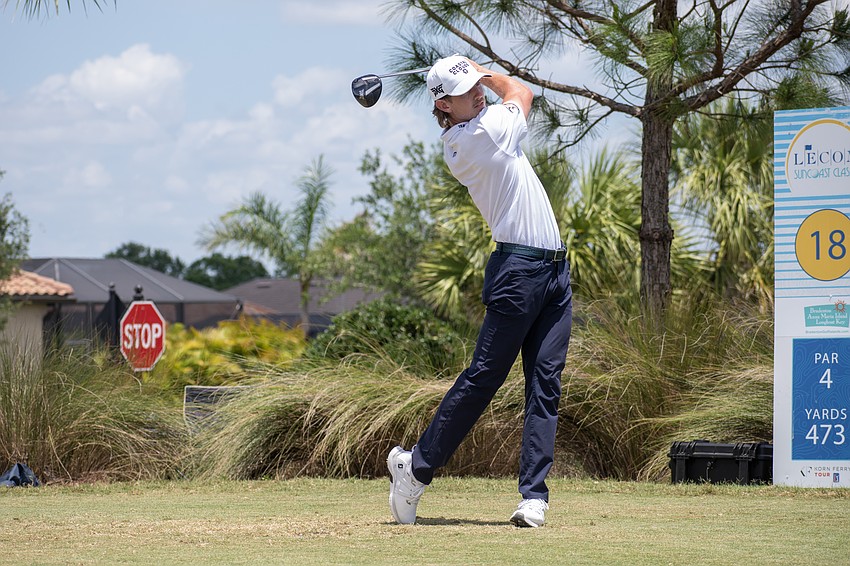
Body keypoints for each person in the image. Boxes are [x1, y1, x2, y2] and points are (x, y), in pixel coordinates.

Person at [387, 55, 573, 528]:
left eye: (477, 86)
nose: (479, 92)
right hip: (518, 271)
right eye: (468, 89)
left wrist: (468, 73)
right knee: (484, 377)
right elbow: (523, 92)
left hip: (553, 271)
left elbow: (505, 98)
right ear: (445, 104)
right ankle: (416, 469)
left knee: (545, 385)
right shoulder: (477, 136)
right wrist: (487, 72)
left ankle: (534, 497)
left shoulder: (480, 123)